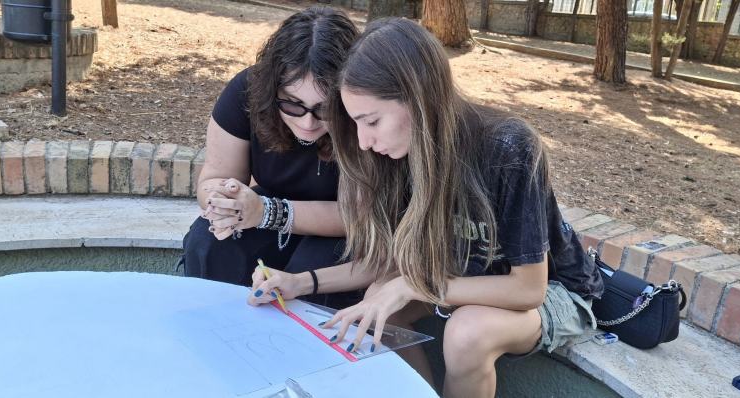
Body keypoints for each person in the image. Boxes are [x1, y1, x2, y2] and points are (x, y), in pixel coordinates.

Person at [246, 18, 604, 397]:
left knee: (468, 333)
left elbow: (527, 288)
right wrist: (297, 282)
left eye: (371, 121)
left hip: (554, 291)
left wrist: (412, 285)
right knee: (379, 307)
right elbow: (382, 264)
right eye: (356, 124)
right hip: (454, 281)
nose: (364, 142)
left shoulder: (508, 148)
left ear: (417, 98)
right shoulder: (395, 156)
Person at [181, 7, 361, 309]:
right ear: (269, 88)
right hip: (265, 208)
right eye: (292, 104)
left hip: (346, 230)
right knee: (208, 243)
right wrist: (224, 202)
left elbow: (360, 216)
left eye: (325, 108)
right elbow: (214, 177)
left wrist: (267, 212)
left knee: (312, 264)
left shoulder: (363, 113)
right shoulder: (246, 91)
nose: (308, 123)